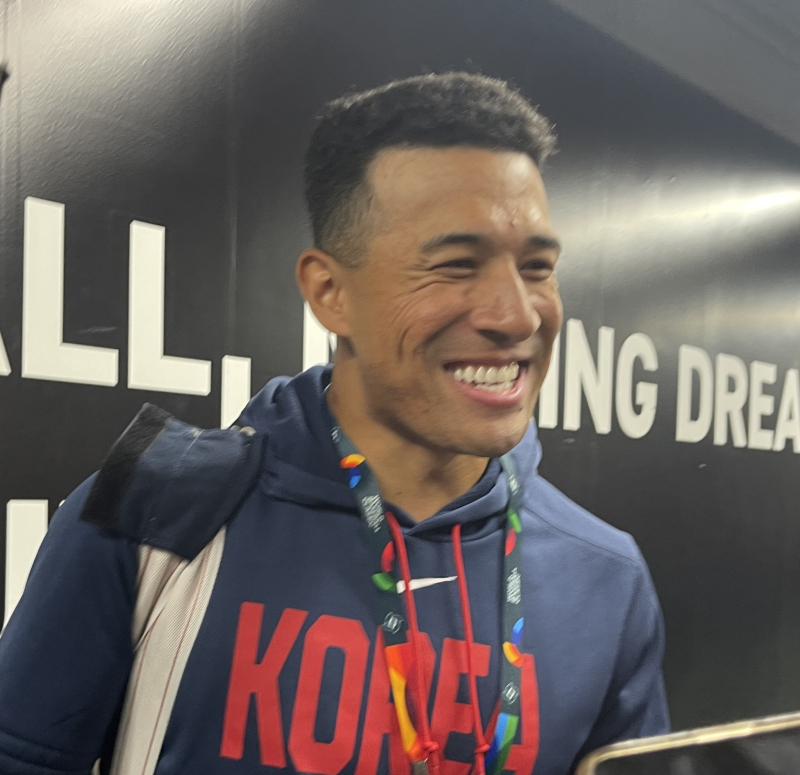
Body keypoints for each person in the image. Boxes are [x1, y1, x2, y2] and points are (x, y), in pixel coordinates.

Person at [0, 72, 669, 775]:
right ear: (330, 292)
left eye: (536, 266)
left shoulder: (607, 576)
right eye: (454, 266)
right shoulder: (156, 516)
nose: (517, 314)